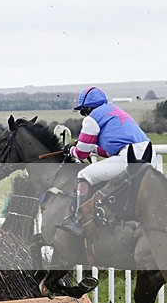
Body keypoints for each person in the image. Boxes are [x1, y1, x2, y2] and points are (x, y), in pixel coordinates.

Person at [58, 86, 155, 236]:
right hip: (149, 155)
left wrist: (70, 150)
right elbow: (110, 150)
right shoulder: (113, 110)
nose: (83, 115)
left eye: (83, 111)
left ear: (89, 108)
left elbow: (81, 154)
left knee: (84, 175)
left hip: (130, 158)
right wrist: (93, 149)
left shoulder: (92, 118)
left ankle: (78, 220)